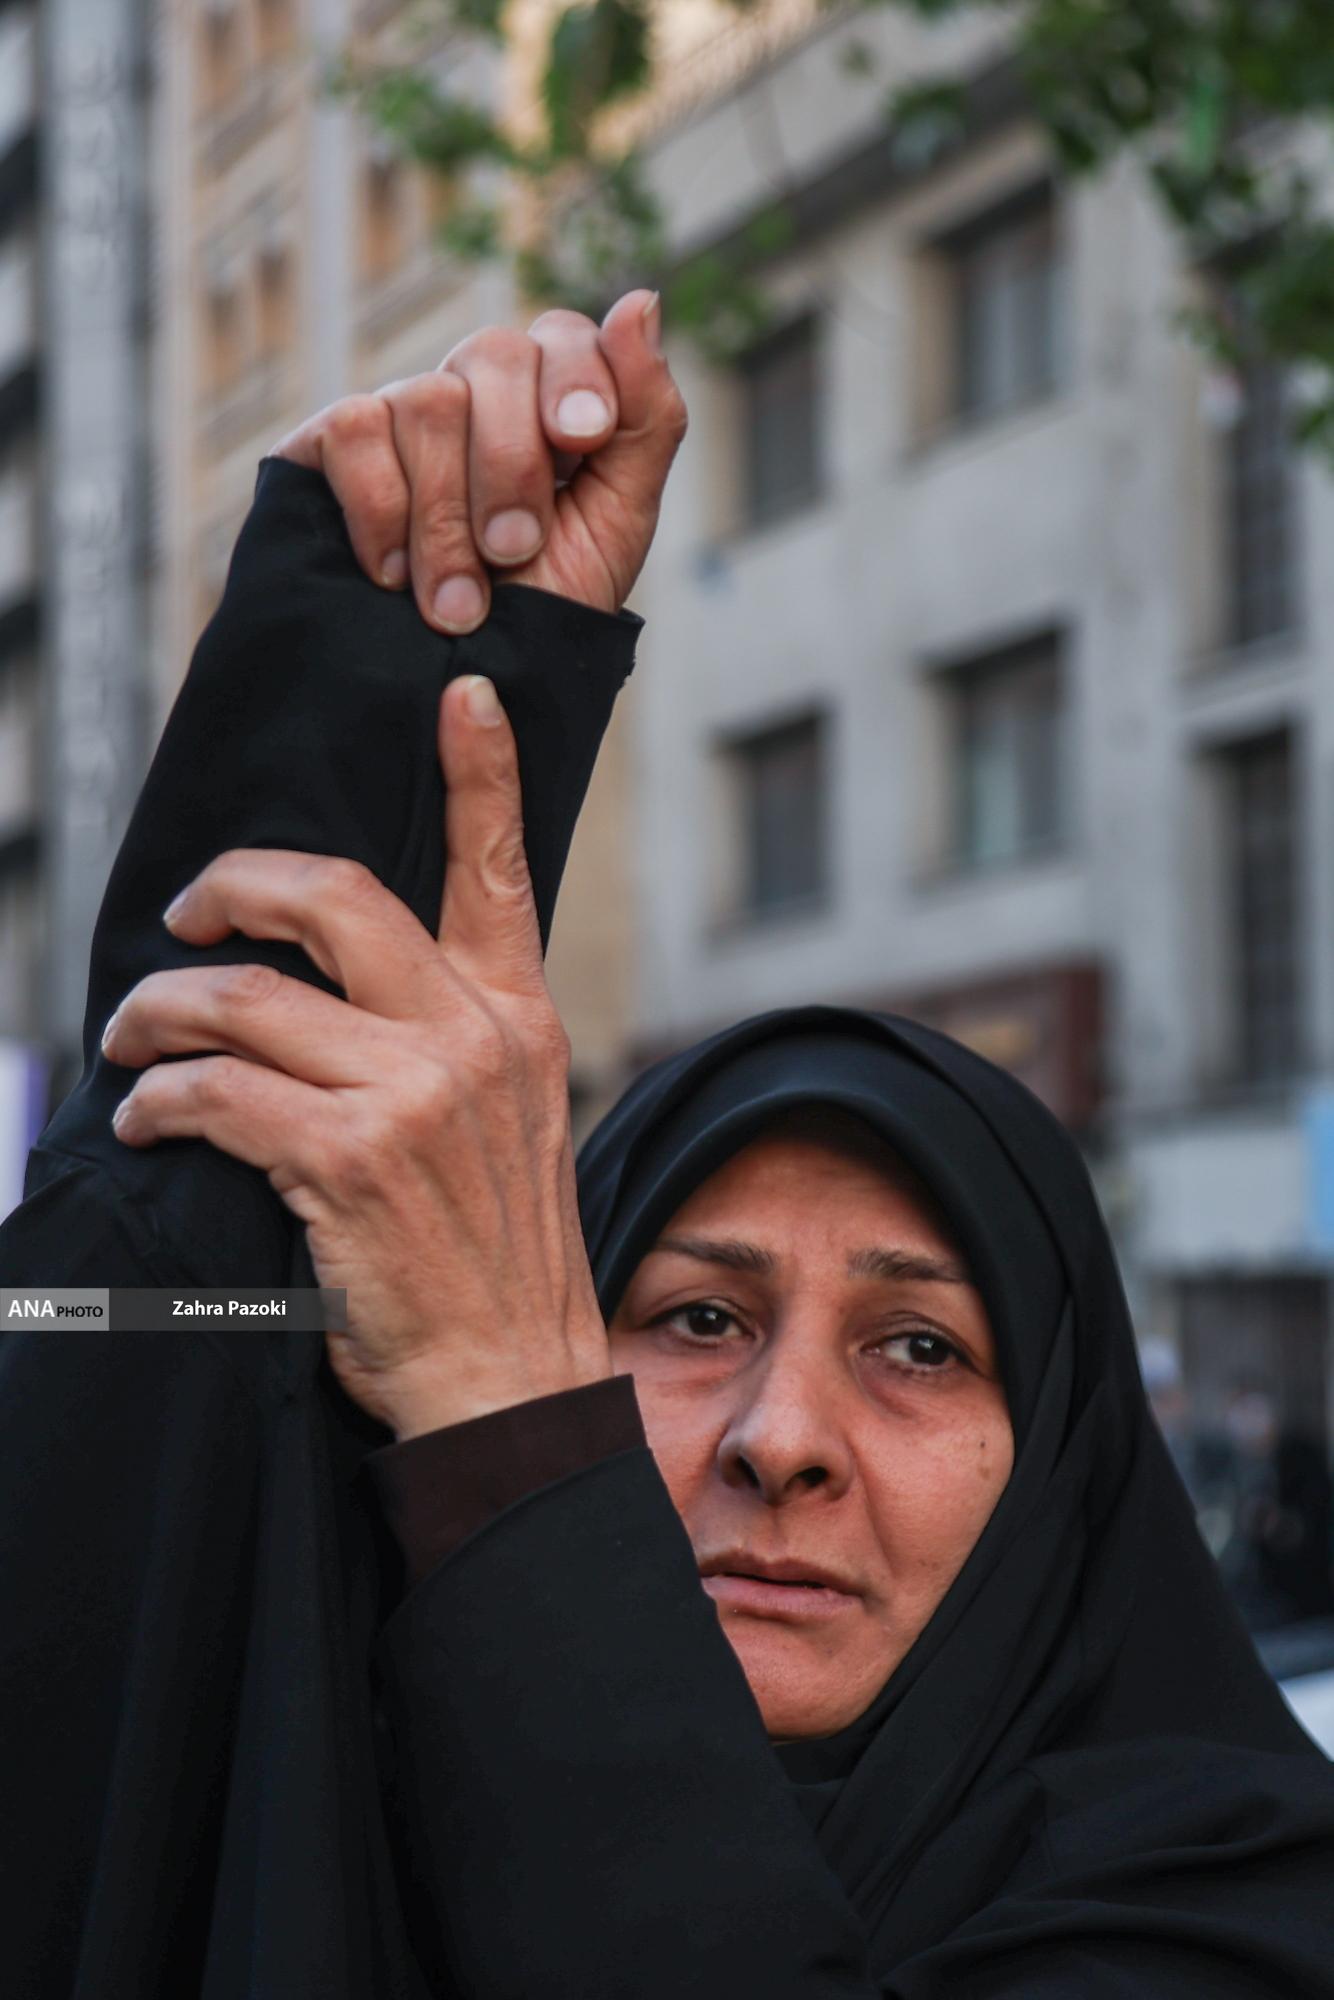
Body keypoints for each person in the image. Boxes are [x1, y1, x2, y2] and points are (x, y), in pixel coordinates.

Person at [2, 290, 1333, 1998]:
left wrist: (511, 1416)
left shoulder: (1233, 1916)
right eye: (696, 1317)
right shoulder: (331, 1821)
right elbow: (133, 1358)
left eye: (920, 1347)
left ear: (1063, 1457)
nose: (781, 1442)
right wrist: (390, 699)